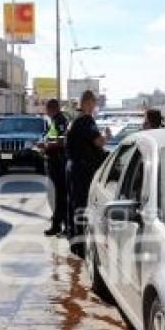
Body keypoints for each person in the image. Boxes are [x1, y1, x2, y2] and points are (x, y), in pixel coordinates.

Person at [65, 90, 105, 255]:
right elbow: (98, 142)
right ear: (88, 103)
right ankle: (80, 246)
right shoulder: (86, 120)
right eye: (94, 103)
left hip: (73, 167)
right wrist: (106, 136)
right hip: (82, 170)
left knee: (74, 205)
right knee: (82, 206)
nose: (95, 106)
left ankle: (74, 242)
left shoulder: (74, 120)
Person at [40, 98, 69, 236]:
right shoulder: (54, 121)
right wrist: (44, 144)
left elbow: (62, 141)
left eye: (47, 109)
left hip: (58, 163)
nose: (46, 111)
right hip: (52, 162)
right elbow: (52, 138)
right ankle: (59, 224)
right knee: (56, 195)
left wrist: (46, 145)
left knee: (60, 196)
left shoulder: (60, 121)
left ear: (53, 109)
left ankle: (60, 225)